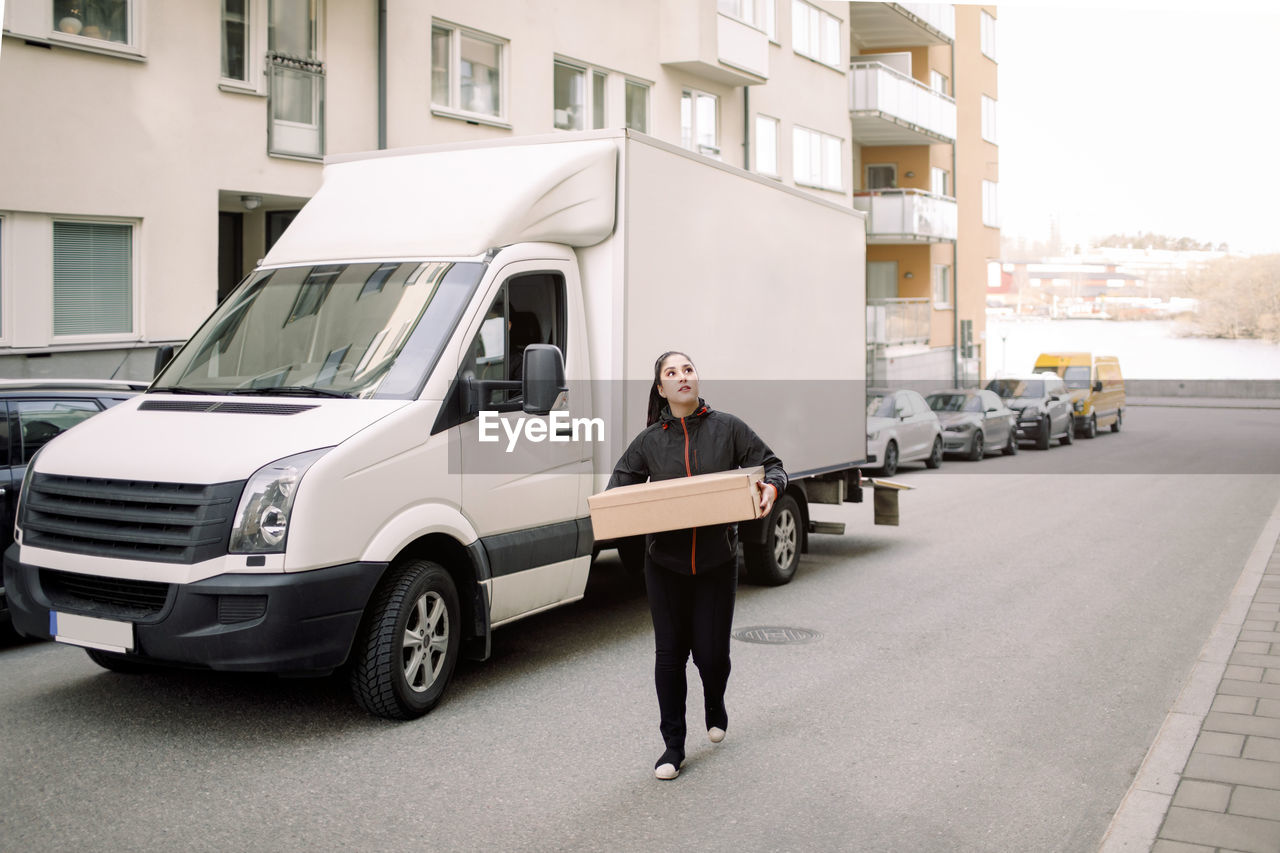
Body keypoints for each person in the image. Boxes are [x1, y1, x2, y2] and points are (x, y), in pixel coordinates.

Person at [607, 351, 788, 780]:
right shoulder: (649, 441)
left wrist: (771, 489)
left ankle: (715, 702)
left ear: (696, 380)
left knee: (711, 656)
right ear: (661, 388)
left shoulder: (728, 428)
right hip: (664, 563)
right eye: (672, 372)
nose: (682, 377)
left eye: (688, 369)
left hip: (715, 560)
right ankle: (673, 746)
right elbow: (617, 491)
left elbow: (774, 466)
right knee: (669, 656)